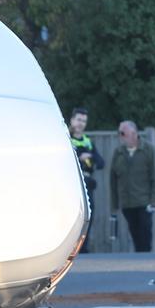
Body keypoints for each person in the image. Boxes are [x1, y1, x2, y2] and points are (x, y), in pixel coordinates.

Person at [110, 120, 155, 252]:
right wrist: (114, 205)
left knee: (145, 236)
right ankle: (140, 265)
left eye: (122, 133)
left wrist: (153, 202)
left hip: (144, 203)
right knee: (135, 235)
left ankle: (147, 265)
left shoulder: (148, 150)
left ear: (133, 133)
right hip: (127, 204)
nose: (120, 136)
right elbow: (112, 180)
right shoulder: (118, 152)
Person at [68, 107, 104, 251]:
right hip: (72, 184)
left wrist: (90, 156)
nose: (81, 123)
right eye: (78, 120)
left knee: (88, 216)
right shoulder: (67, 139)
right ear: (72, 120)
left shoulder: (88, 142)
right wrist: (79, 156)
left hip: (87, 185)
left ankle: (84, 247)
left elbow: (101, 163)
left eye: (84, 121)